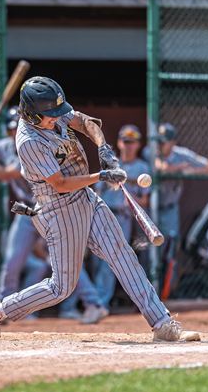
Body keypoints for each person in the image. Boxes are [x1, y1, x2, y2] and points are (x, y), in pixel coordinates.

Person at [0, 76, 200, 342]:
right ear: (31, 114)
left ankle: (162, 324)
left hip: (86, 199)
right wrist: (101, 176)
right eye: (49, 115)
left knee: (122, 254)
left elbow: (87, 123)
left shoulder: (55, 114)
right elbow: (61, 183)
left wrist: (104, 149)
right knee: (61, 288)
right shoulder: (28, 141)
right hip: (58, 209)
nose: (57, 117)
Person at [0, 107, 107, 324]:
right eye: (10, 130)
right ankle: (0, 307)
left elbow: (5, 174)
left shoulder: (31, 146)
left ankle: (94, 304)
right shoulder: (6, 146)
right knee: (12, 261)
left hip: (51, 209)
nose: (14, 133)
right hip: (26, 213)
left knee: (65, 262)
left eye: (17, 128)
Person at [145, 123, 208, 297]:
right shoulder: (150, 151)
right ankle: (147, 293)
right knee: (148, 252)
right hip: (150, 209)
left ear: (173, 142)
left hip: (170, 210)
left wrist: (189, 169)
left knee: (170, 251)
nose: (161, 145)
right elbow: (161, 166)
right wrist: (178, 169)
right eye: (159, 141)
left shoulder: (181, 155)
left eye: (165, 142)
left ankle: (166, 294)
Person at [91, 124, 151, 309]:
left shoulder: (142, 166)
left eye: (132, 142)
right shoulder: (112, 165)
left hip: (122, 218)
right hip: (102, 215)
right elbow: (97, 192)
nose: (129, 145)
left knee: (112, 259)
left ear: (138, 144)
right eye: (126, 141)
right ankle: (94, 301)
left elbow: (145, 201)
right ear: (119, 143)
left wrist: (133, 201)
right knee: (95, 261)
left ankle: (101, 303)